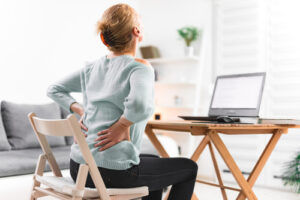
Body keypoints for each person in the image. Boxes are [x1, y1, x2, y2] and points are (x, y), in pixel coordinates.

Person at [46, 3, 198, 200]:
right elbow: (141, 105)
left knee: (153, 162)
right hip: (111, 173)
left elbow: (54, 89)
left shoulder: (92, 68)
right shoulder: (139, 68)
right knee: (189, 168)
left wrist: (82, 112)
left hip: (79, 167)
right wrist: (122, 124)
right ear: (137, 31)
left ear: (103, 38)